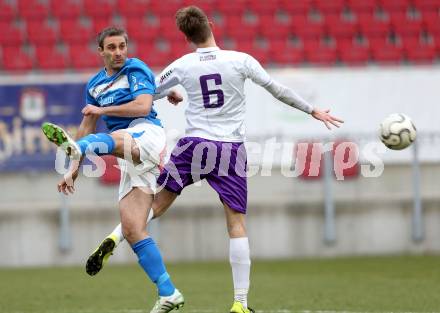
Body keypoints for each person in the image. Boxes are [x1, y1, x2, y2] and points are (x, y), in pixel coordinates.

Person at [87, 6, 343, 313]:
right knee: (236, 224)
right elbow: (277, 89)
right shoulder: (240, 60)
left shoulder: (182, 65)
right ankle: (240, 303)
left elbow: (145, 95)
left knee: (154, 204)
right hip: (230, 150)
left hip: (194, 145)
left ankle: (119, 235)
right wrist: (312, 110)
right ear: (210, 25)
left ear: (185, 36)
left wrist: (169, 95)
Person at [41, 27, 184, 313]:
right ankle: (168, 292)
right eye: (112, 48)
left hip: (146, 136)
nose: (118, 52)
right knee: (133, 228)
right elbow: (86, 128)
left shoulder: (135, 68)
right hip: (125, 153)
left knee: (108, 141)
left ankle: (83, 148)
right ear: (101, 52)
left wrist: (101, 114)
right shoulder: (94, 86)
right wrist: (73, 171)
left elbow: (143, 105)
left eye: (122, 46)